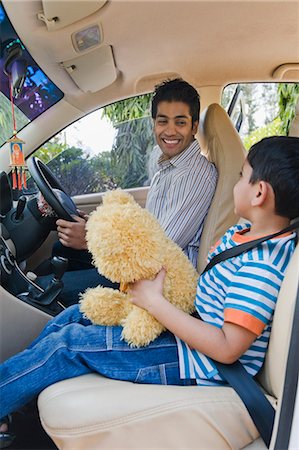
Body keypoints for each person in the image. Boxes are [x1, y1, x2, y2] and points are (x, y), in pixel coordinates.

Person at [1, 136, 298, 447]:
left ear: (260, 192)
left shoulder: (261, 266)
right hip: (187, 336)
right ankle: (14, 403)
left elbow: (227, 348)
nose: (236, 183)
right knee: (76, 313)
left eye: (241, 176)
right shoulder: (243, 235)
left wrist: (155, 303)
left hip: (196, 363)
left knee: (67, 345)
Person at [40, 78, 217, 305]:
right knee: (60, 249)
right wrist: (96, 228)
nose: (170, 130)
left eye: (180, 122)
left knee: (49, 289)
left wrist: (89, 239)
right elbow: (150, 226)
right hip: (140, 265)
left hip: (156, 283)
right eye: (163, 121)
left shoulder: (196, 176)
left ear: (193, 127)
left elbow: (159, 251)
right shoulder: (168, 165)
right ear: (154, 123)